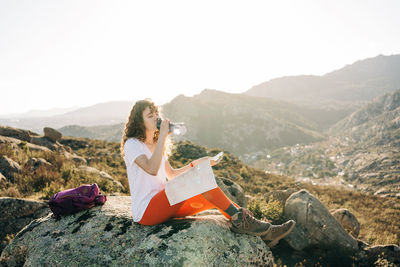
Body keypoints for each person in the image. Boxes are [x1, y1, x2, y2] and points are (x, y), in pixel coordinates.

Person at [120, 99, 295, 247]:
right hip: (147, 211)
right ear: (139, 122)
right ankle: (248, 223)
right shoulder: (133, 144)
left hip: (164, 205)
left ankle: (262, 231)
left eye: (156, 115)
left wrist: (198, 163)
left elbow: (172, 175)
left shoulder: (156, 145)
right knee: (203, 183)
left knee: (212, 195)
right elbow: (151, 169)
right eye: (150, 116)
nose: (156, 119)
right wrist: (163, 137)